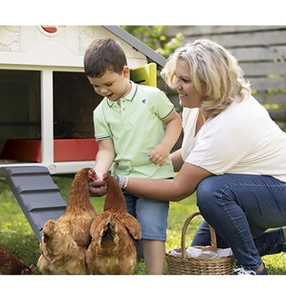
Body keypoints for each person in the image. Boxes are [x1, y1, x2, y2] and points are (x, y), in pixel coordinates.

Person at [89, 38, 286, 275]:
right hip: (249, 187)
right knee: (203, 252)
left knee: (211, 191)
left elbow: (179, 188)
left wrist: (120, 181)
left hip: (278, 190)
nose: (174, 85)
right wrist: (145, 169)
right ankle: (281, 239)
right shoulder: (196, 104)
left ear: (209, 83)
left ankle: (252, 268)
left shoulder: (233, 121)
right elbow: (192, 154)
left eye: (184, 80)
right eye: (175, 76)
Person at [83, 38, 182, 275]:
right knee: (120, 233)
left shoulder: (152, 96)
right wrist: (99, 173)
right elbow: (106, 150)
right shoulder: (100, 112)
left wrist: (165, 146)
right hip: (122, 185)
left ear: (125, 72)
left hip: (155, 180)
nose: (103, 91)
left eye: (108, 84)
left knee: (151, 231)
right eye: (96, 86)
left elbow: (174, 122)